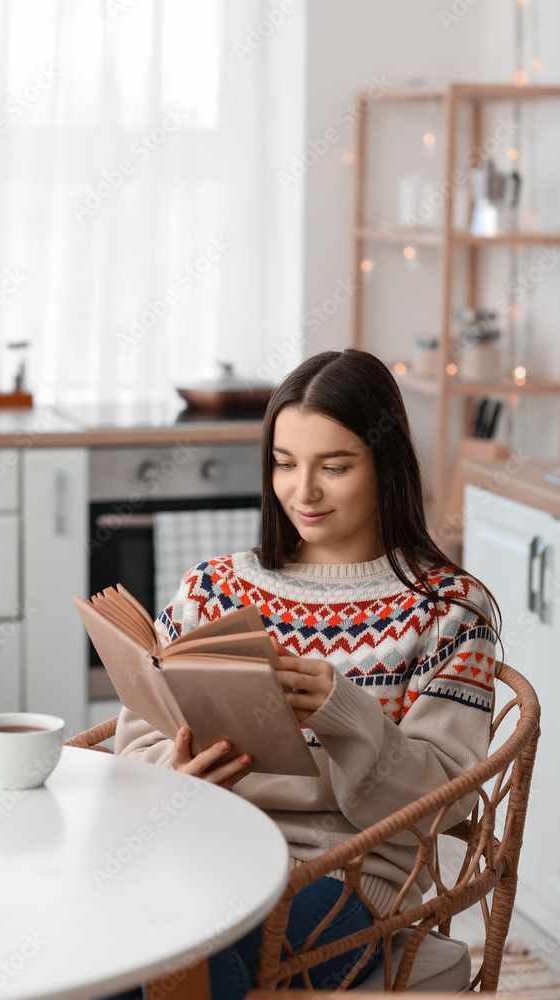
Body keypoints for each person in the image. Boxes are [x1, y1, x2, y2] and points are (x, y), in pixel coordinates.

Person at [109, 349, 500, 999]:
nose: (303, 491)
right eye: (284, 465)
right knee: (99, 946)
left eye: (335, 467)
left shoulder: (448, 610)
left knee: (198, 950)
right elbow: (137, 739)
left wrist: (348, 716)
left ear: (386, 464)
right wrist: (171, 774)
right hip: (200, 847)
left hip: (344, 878)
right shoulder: (211, 589)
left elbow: (447, 800)